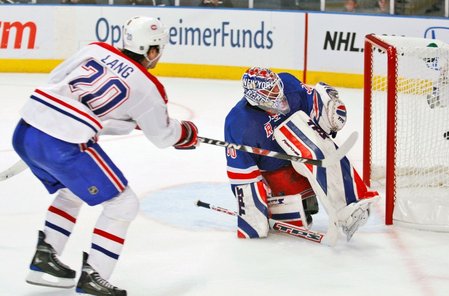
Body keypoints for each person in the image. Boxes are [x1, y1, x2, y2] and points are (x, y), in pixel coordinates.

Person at [12, 16, 198, 295]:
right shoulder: (149, 87)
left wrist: (120, 119)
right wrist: (185, 133)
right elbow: (162, 136)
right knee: (123, 204)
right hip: (63, 146)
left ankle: (45, 256)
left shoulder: (94, 49)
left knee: (72, 191)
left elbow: (56, 81)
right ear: (152, 51)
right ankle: (94, 276)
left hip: (26, 130)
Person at [224, 67, 378, 241]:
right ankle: (291, 205)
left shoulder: (288, 84)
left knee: (317, 144)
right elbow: (243, 176)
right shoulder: (238, 124)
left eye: (276, 86)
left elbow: (312, 99)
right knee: (297, 216)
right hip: (273, 175)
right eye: (270, 90)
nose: (277, 91)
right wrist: (254, 217)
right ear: (256, 96)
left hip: (300, 155)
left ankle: (351, 203)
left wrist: (328, 109)